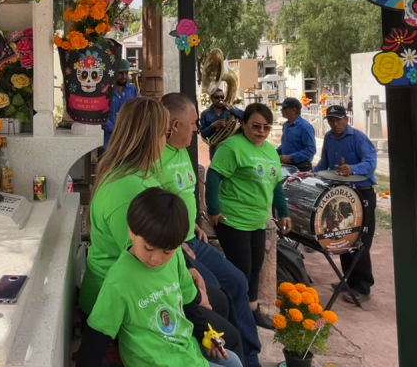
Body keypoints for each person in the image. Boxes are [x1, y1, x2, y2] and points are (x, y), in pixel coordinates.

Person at [79, 98, 244, 363]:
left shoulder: (138, 172)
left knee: (220, 301)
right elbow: (145, 259)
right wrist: (183, 283)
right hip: (123, 297)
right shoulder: (127, 188)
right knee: (229, 336)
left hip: (149, 281)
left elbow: (159, 245)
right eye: (164, 134)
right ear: (150, 137)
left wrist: (186, 268)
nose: (166, 141)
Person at [77, 188, 243, 367]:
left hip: (184, 350)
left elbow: (188, 304)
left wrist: (205, 334)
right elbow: (98, 334)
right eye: (148, 248)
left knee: (233, 361)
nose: (156, 259)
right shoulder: (120, 280)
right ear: (131, 232)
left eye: (166, 251)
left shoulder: (177, 258)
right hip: (155, 361)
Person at [161, 93, 265, 366]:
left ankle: (251, 356)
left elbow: (181, 193)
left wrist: (193, 221)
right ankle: (225, 353)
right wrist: (172, 239)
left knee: (239, 281)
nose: (198, 128)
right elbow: (151, 209)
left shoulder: (183, 148)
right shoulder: (156, 156)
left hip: (192, 239)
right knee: (214, 292)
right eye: (193, 122)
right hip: (177, 248)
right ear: (173, 125)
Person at [207, 103, 292, 329]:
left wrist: (283, 212)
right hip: (232, 219)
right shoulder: (232, 147)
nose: (261, 132)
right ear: (243, 124)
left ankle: (252, 310)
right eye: (255, 126)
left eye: (266, 127)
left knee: (255, 267)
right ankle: (235, 315)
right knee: (240, 270)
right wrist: (213, 210)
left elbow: (276, 186)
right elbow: (214, 176)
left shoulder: (270, 151)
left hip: (258, 221)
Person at [313, 105, 377, 304]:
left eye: (338, 120)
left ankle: (363, 288)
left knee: (360, 241)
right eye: (331, 120)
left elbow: (371, 161)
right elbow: (324, 163)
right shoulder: (330, 139)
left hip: (362, 193)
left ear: (346, 120)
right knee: (344, 238)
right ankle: (348, 280)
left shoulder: (358, 137)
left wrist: (352, 168)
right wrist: (311, 174)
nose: (334, 124)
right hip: (342, 195)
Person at [102, 59, 139, 149]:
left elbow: (138, 110)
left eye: (126, 73)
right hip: (107, 141)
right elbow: (100, 115)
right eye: (121, 73)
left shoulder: (132, 89)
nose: (124, 76)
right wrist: (115, 129)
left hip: (128, 140)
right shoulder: (104, 91)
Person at [200, 89, 244, 159]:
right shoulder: (205, 114)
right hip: (215, 149)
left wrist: (233, 110)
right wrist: (212, 126)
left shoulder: (230, 110)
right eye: (217, 97)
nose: (220, 100)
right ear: (211, 98)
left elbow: (245, 117)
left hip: (231, 145)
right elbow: (203, 134)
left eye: (222, 97)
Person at [277, 97, 316, 172]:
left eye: (284, 108)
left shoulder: (305, 126)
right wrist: (275, 152)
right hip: (287, 166)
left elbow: (311, 150)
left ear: (293, 110)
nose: (281, 110)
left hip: (302, 167)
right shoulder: (286, 125)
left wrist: (290, 157)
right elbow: (287, 144)